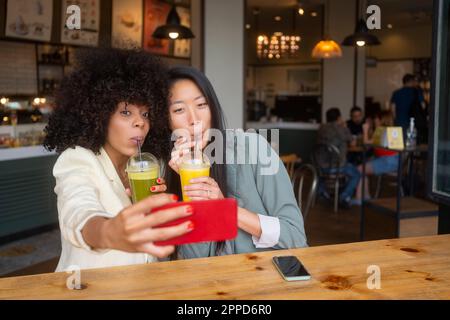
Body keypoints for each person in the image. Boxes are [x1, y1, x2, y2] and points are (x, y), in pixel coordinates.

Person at [44, 48, 194, 272]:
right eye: (126, 113)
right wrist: (108, 232)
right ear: (99, 114)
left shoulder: (151, 166)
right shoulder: (78, 160)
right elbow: (78, 212)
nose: (140, 123)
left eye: (145, 114)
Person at [164, 66, 307, 259]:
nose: (194, 119)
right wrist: (189, 184)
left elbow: (295, 237)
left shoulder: (253, 149)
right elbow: (189, 261)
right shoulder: (167, 169)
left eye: (201, 105)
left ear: (213, 108)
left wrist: (225, 209)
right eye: (179, 109)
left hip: (264, 279)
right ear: (166, 120)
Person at [315, 108, 360, 208]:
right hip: (337, 166)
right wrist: (344, 127)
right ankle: (344, 197)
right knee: (357, 173)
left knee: (324, 169)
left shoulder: (321, 128)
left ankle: (322, 191)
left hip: (320, 166)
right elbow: (353, 142)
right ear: (339, 118)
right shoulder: (341, 129)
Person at [354, 110, 399, 203]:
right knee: (363, 168)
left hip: (387, 162)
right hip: (397, 163)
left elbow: (366, 143)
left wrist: (365, 130)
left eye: (376, 119)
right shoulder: (394, 130)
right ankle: (364, 196)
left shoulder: (381, 130)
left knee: (359, 169)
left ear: (380, 119)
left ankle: (360, 198)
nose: (375, 121)